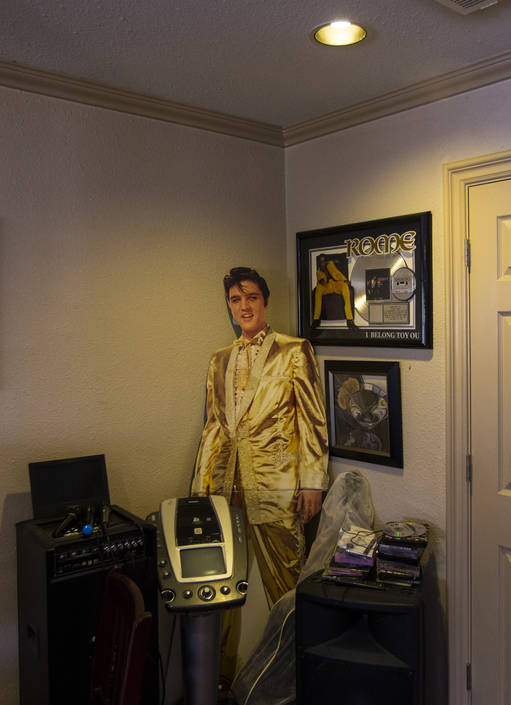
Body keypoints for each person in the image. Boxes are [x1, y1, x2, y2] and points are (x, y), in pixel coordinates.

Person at [191, 266, 329, 692]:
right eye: (236, 300)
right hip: (226, 484)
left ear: (264, 302)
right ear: (230, 308)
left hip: (277, 484)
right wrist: (200, 490)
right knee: (222, 584)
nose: (244, 306)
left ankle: (299, 678)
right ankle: (221, 680)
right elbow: (213, 425)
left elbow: (312, 419)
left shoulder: (293, 350)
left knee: (287, 582)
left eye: (251, 297)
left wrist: (313, 482)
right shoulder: (218, 359)